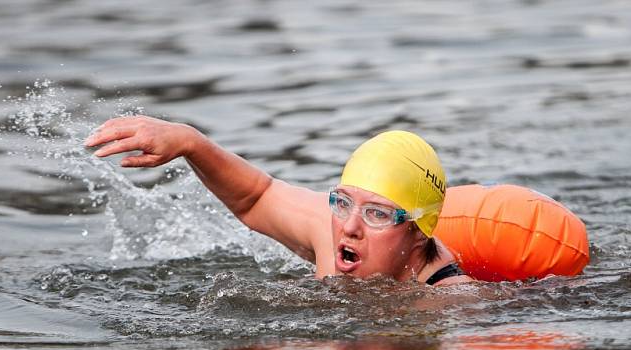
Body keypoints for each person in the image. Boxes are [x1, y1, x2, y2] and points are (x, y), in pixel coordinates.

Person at [85, 116, 472, 286]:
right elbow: (257, 196)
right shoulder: (331, 232)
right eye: (342, 203)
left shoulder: (444, 302)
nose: (350, 226)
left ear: (419, 232)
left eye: (376, 214)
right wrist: (189, 142)